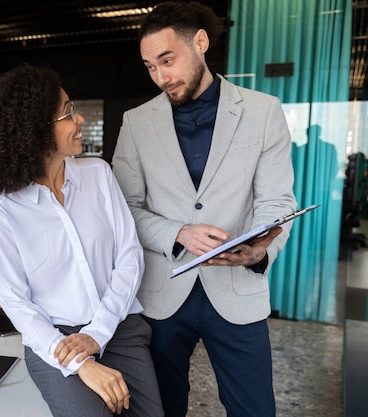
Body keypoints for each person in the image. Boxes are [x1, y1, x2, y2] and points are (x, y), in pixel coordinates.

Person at [111, 3, 297, 417]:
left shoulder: (262, 111)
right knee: (159, 410)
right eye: (149, 67)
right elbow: (123, 209)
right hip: (161, 296)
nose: (160, 77)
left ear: (200, 42)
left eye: (167, 60)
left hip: (238, 290)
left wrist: (260, 251)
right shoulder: (136, 122)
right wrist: (178, 232)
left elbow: (277, 201)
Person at [0, 64, 163, 417]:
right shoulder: (5, 212)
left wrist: (98, 333)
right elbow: (15, 300)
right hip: (56, 340)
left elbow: (129, 257)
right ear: (34, 133)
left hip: (118, 326)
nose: (78, 120)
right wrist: (82, 361)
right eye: (68, 114)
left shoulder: (99, 174)